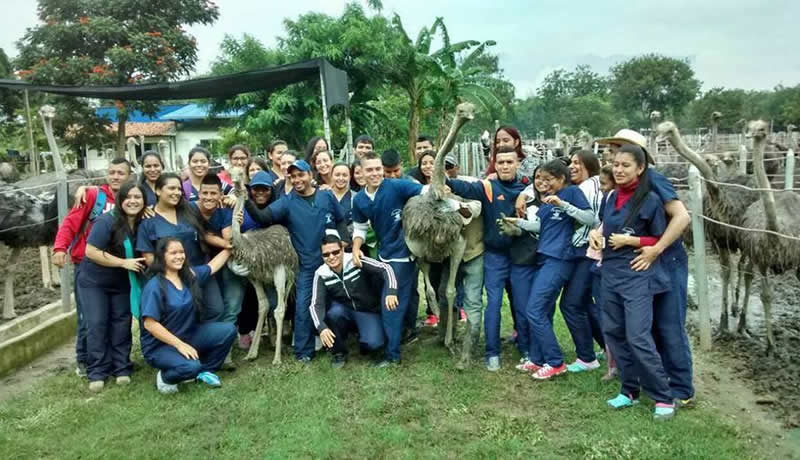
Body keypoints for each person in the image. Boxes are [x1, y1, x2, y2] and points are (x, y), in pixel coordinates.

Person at [596, 129, 694, 407]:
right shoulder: (617, 190)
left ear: (639, 159)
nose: (614, 153)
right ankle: (646, 383)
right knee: (641, 327)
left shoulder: (653, 180)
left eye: (619, 147)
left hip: (665, 259)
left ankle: (681, 389)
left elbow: (682, 216)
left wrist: (656, 248)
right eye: (613, 149)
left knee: (668, 324)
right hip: (636, 263)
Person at [588, 144, 676, 420]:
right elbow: (605, 227)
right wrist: (596, 236)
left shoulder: (649, 200)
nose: (619, 169)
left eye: (626, 165)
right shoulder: (611, 197)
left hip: (637, 272)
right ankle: (629, 391)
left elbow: (660, 238)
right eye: (616, 164)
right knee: (613, 332)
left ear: (640, 168)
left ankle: (663, 397)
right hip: (610, 272)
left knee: (638, 335)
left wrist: (633, 240)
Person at [244, 159, 347, 362]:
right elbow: (264, 217)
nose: (297, 179)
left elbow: (340, 218)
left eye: (301, 174)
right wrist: (245, 200)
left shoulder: (326, 196)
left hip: (332, 262)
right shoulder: (287, 201)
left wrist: (344, 241)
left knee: (338, 305)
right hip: (307, 266)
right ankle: (303, 352)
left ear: (310, 175)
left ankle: (338, 345)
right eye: (293, 176)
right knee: (303, 308)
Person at [517, 150, 606, 373]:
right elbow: (542, 227)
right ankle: (538, 358)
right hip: (545, 257)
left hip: (560, 259)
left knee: (535, 310)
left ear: (561, 179)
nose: (541, 182)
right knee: (542, 310)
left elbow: (590, 218)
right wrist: (518, 224)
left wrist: (562, 204)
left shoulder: (572, 193)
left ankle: (555, 362)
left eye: (548, 179)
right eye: (539, 178)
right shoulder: (546, 201)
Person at [445, 146, 525, 372]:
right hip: (495, 257)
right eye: (501, 163)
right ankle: (492, 353)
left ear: (517, 163)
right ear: (495, 164)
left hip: (521, 257)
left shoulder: (527, 187)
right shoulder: (489, 187)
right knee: (494, 304)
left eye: (510, 162)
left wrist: (525, 194)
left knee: (522, 303)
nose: (505, 166)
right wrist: (445, 180)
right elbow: (464, 187)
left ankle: (527, 348)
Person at [53, 157, 131, 378]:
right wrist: (60, 247)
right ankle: (85, 360)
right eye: (112, 172)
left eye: (121, 173)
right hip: (87, 265)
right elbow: (71, 222)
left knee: (117, 318)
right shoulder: (93, 197)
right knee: (89, 318)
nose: (116, 176)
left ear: (129, 176)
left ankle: (117, 363)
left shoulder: (132, 198)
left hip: (119, 267)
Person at [351, 151, 426, 367]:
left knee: (390, 304)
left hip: (403, 256)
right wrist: (356, 248)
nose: (375, 173)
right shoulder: (361, 200)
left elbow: (426, 191)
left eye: (377, 169)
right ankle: (407, 332)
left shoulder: (397, 186)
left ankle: (393, 355)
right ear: (362, 172)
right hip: (384, 255)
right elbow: (359, 228)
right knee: (405, 296)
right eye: (370, 170)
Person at [139, 237, 235, 394]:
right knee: (191, 366)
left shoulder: (188, 276)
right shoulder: (154, 286)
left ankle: (203, 372)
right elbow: (150, 324)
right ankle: (165, 378)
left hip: (188, 335)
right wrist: (179, 345)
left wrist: (230, 248)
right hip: (160, 346)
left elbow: (211, 267)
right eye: (173, 253)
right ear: (162, 256)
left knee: (228, 330)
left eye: (181, 252)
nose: (179, 256)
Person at [79, 181, 147, 392]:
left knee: (121, 323)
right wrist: (122, 263)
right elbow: (91, 251)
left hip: (121, 282)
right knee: (97, 323)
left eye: (138, 197)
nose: (133, 201)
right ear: (120, 200)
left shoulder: (142, 222)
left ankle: (122, 368)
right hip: (94, 282)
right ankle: (97, 372)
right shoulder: (106, 221)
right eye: (129, 197)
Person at [137, 173, 226, 322]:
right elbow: (149, 257)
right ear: (158, 191)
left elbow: (212, 206)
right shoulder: (148, 221)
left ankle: (206, 341)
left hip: (201, 271)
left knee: (216, 309)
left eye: (179, 188)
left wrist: (231, 199)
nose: (177, 192)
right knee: (186, 316)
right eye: (171, 188)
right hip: (172, 277)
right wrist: (172, 274)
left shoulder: (190, 209)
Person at [311, 234, 398, 368]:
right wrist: (321, 328)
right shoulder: (321, 273)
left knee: (374, 343)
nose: (331, 257)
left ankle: (363, 339)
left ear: (342, 250)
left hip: (365, 310)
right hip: (343, 310)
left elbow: (386, 269)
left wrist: (391, 292)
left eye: (335, 252)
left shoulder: (354, 259)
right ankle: (338, 352)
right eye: (326, 254)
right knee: (332, 314)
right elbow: (315, 304)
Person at [594, 165, 618, 381]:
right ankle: (612, 363)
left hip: (610, 264)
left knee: (611, 316)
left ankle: (615, 365)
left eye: (604, 184)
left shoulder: (613, 199)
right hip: (601, 262)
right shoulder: (608, 198)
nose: (601, 189)